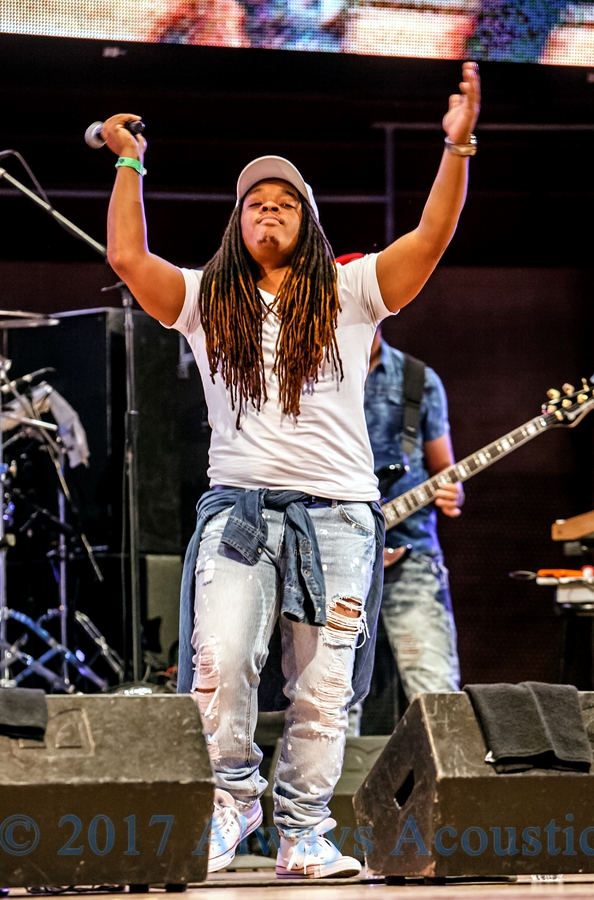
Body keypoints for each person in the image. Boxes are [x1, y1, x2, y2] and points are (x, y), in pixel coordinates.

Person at [102, 60, 480, 880]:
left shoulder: (350, 292)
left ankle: (305, 830)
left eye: (285, 202)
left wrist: (457, 149)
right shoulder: (207, 300)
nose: (269, 210)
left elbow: (431, 238)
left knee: (325, 684)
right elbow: (129, 257)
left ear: (308, 223)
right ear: (236, 224)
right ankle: (233, 800)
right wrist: (129, 163)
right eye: (255, 203)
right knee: (220, 663)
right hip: (239, 514)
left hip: (339, 517)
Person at [361, 327, 463, 727]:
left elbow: (444, 468)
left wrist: (454, 491)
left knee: (436, 695)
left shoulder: (417, 378)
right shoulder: (311, 375)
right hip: (332, 555)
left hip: (411, 548)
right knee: (329, 700)